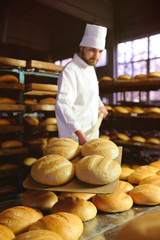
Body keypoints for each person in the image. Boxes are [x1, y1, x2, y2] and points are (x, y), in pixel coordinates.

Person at [55, 23, 108, 145]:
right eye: (92, 50)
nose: (96, 56)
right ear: (81, 47)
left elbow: (92, 94)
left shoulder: (90, 68)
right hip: (75, 138)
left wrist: (100, 105)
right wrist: (79, 134)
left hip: (92, 134)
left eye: (100, 51)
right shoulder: (70, 71)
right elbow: (63, 105)